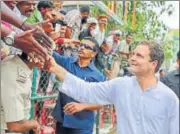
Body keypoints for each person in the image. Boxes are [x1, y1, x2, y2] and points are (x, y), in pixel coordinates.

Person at [45, 40, 179, 134]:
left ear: (153, 64)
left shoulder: (169, 99)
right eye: (132, 54)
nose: (132, 58)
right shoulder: (121, 85)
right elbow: (86, 90)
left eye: (139, 56)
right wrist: (55, 68)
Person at [51, 37, 104, 134]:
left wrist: (82, 106)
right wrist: (58, 40)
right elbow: (50, 53)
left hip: (81, 124)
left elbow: (100, 103)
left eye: (86, 47)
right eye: (81, 45)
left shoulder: (97, 75)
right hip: (62, 120)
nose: (82, 48)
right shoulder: (68, 62)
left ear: (93, 53)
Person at [1, 52, 44, 134]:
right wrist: (34, 124)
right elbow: (14, 125)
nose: (50, 59)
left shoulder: (17, 64)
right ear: (33, 54)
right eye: (46, 54)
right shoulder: (15, 74)